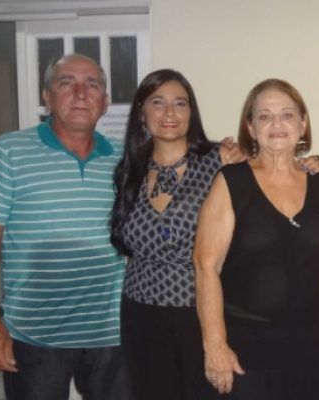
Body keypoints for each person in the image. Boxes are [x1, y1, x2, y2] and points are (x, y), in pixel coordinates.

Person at [0, 54, 131, 399]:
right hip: (34, 336)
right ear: (47, 96)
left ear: (105, 102)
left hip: (112, 335)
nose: (80, 92)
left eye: (92, 85)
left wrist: (225, 154)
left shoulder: (124, 158)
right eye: (66, 82)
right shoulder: (8, 152)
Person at [193, 78, 319, 399]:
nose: (277, 124)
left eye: (287, 114)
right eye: (265, 116)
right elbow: (206, 266)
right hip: (247, 349)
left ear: (303, 124)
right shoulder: (231, 181)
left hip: (311, 346)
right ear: (251, 126)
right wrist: (215, 346)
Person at [109, 68, 245, 400]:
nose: (169, 113)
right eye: (158, 102)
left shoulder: (222, 161)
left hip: (203, 312)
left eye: (180, 104)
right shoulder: (129, 169)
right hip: (142, 315)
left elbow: (276, 174)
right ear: (142, 112)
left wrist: (311, 167)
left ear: (191, 113)